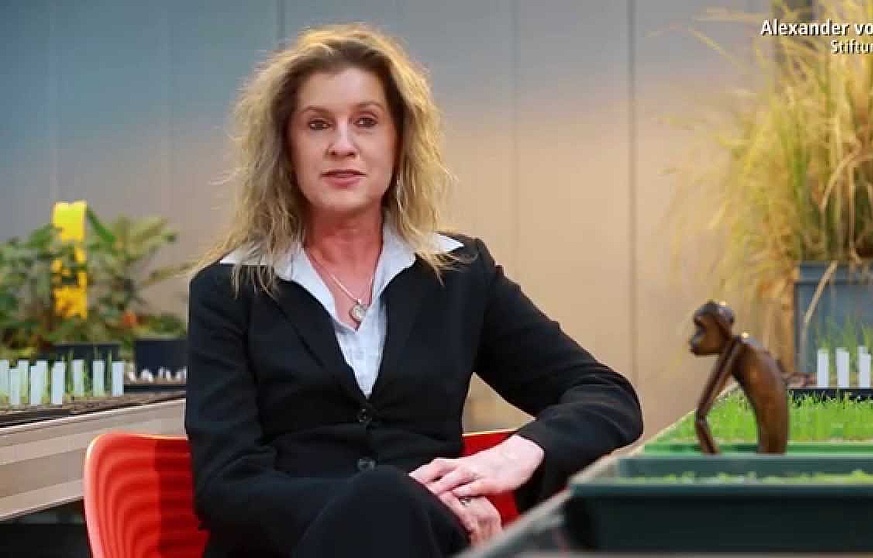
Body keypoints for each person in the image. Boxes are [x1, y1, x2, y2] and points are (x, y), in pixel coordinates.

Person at [184, 22, 643, 558]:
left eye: (366, 122)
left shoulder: (458, 274)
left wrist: (513, 454)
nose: (342, 145)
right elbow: (227, 487)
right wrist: (394, 500)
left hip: (427, 540)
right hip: (288, 549)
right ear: (286, 147)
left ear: (399, 141)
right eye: (317, 124)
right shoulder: (229, 289)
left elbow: (606, 395)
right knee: (384, 496)